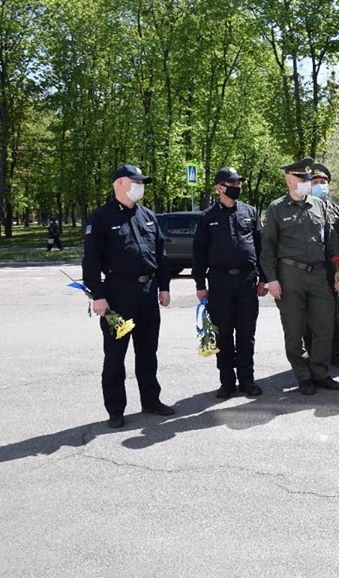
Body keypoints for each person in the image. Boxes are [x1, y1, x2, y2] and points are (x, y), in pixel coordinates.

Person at [82, 164, 174, 428]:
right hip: (117, 294)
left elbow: (161, 254)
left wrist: (164, 287)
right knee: (115, 356)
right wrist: (97, 296)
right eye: (136, 181)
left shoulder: (147, 215)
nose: (140, 186)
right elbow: (91, 263)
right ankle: (115, 410)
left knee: (148, 352)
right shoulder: (101, 217)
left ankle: (151, 401)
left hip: (147, 293)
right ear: (120, 183)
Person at [260, 157, 339, 395]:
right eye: (302, 178)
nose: (307, 182)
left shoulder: (319, 205)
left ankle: (319, 371)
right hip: (289, 275)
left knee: (324, 326)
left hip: (319, 274)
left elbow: (332, 242)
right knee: (294, 330)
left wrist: (338, 269)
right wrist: (272, 279)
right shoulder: (276, 209)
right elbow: (268, 248)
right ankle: (303, 375)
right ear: (289, 181)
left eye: (309, 178)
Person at [192, 166, 267, 399]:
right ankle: (226, 382)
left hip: (246, 280)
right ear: (219, 187)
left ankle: (247, 380)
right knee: (223, 334)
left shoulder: (250, 212)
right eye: (232, 184)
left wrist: (264, 278)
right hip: (219, 282)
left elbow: (261, 247)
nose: (237, 188)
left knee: (246, 333)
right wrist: (199, 284)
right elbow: (199, 254)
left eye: (238, 184)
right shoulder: (207, 218)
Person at [309, 163, 339, 368]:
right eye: (314, 182)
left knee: (334, 313)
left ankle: (335, 352)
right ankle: (313, 354)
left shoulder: (336, 210)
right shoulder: (303, 207)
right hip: (310, 268)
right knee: (311, 315)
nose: (319, 185)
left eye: (323, 182)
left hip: (332, 268)